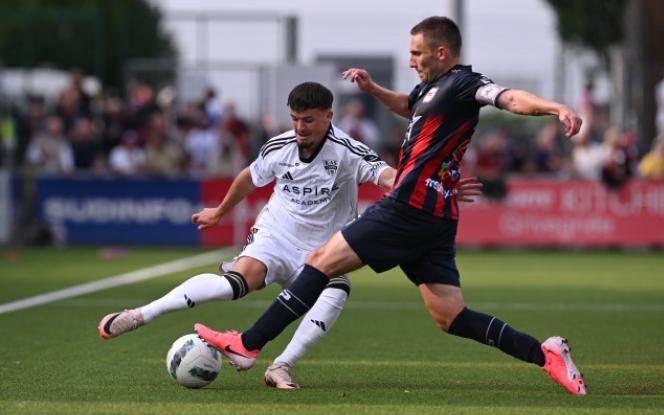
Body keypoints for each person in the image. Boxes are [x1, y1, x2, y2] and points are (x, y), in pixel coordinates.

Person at [195, 16, 587, 396]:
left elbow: (508, 97)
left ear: (442, 52)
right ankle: (546, 354)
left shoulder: (465, 83)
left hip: (408, 206)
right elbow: (408, 105)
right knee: (451, 316)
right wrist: (372, 89)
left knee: (320, 260)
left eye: (417, 53)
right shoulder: (431, 91)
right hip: (435, 216)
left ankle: (248, 343)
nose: (411, 60)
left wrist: (555, 108)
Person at [97, 81, 483, 389]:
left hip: (324, 249)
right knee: (236, 283)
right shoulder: (279, 146)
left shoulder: (347, 150)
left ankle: (281, 366)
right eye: (296, 119)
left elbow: (387, 176)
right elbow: (250, 177)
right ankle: (142, 314)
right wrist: (220, 211)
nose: (300, 127)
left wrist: (432, 186)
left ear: (328, 117)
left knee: (336, 292)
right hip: (276, 235)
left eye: (309, 120)